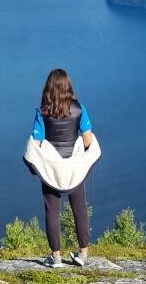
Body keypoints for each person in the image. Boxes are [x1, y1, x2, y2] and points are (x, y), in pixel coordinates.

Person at [29, 69, 96, 269]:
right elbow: (87, 139)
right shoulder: (79, 109)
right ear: (68, 86)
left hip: (51, 170)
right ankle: (83, 254)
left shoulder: (42, 111)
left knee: (52, 211)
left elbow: (37, 143)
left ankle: (56, 257)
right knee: (80, 209)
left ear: (48, 88)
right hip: (74, 168)